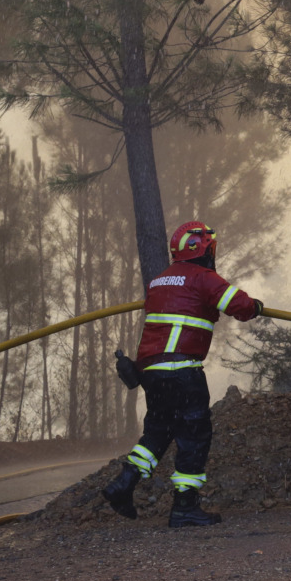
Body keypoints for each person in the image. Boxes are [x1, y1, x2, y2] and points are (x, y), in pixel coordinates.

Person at [103, 223, 262, 527]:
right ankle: (185, 506)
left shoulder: (159, 281)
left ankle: (123, 484)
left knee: (159, 432)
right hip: (181, 371)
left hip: (151, 371)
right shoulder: (203, 278)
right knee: (194, 435)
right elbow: (238, 305)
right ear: (204, 249)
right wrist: (255, 307)